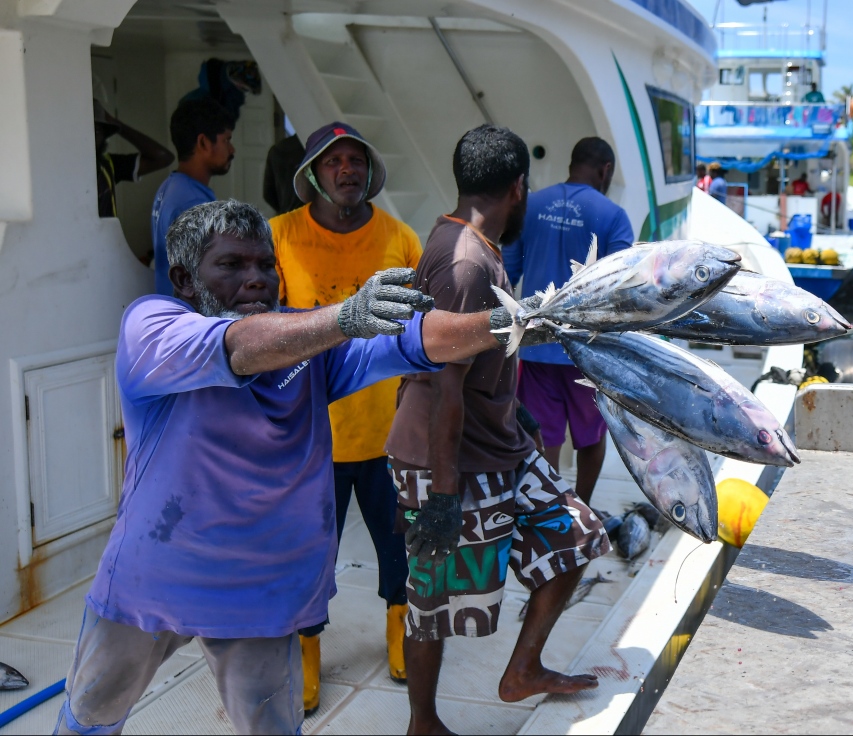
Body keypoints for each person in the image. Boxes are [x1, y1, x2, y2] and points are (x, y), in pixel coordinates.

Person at [54, 199, 517, 736]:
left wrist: (515, 322)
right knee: (89, 722)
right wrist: (344, 316)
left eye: (264, 265)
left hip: (263, 599)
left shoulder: (309, 339)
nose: (255, 280)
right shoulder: (151, 327)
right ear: (184, 278)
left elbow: (417, 341)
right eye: (231, 266)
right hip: (148, 585)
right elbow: (239, 348)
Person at [385, 125, 610, 735]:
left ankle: (523, 670)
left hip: (499, 443)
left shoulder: (476, 245)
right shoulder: (464, 265)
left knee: (578, 535)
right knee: (433, 595)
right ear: (519, 188)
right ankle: (423, 723)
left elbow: (483, 367)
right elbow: (445, 388)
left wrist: (523, 419)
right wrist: (441, 494)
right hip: (447, 457)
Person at [270, 122, 423, 710]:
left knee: (397, 545)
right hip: (310, 434)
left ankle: (398, 636)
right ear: (312, 174)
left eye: (356, 159)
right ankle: (308, 655)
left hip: (388, 433)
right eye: (333, 161)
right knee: (313, 554)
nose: (346, 170)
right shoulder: (279, 235)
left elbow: (419, 331)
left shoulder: (400, 237)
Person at [503, 137, 634, 502]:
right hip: (587, 353)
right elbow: (620, 290)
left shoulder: (531, 206)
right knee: (590, 436)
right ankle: (583, 509)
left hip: (536, 349)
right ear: (605, 170)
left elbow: (508, 273)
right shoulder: (613, 216)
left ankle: (551, 510)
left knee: (544, 434)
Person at [151, 99, 234, 296]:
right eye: (227, 140)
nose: (232, 150)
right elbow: (205, 279)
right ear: (204, 142)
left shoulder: (172, 187)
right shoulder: (191, 202)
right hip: (188, 315)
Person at [94, 99, 173, 220]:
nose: (92, 136)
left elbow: (163, 158)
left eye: (98, 130)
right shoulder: (64, 169)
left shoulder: (109, 164)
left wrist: (115, 123)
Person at [262, 119, 305, 215]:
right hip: (313, 220)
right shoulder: (320, 149)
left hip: (287, 214)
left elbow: (268, 194)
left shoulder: (277, 150)